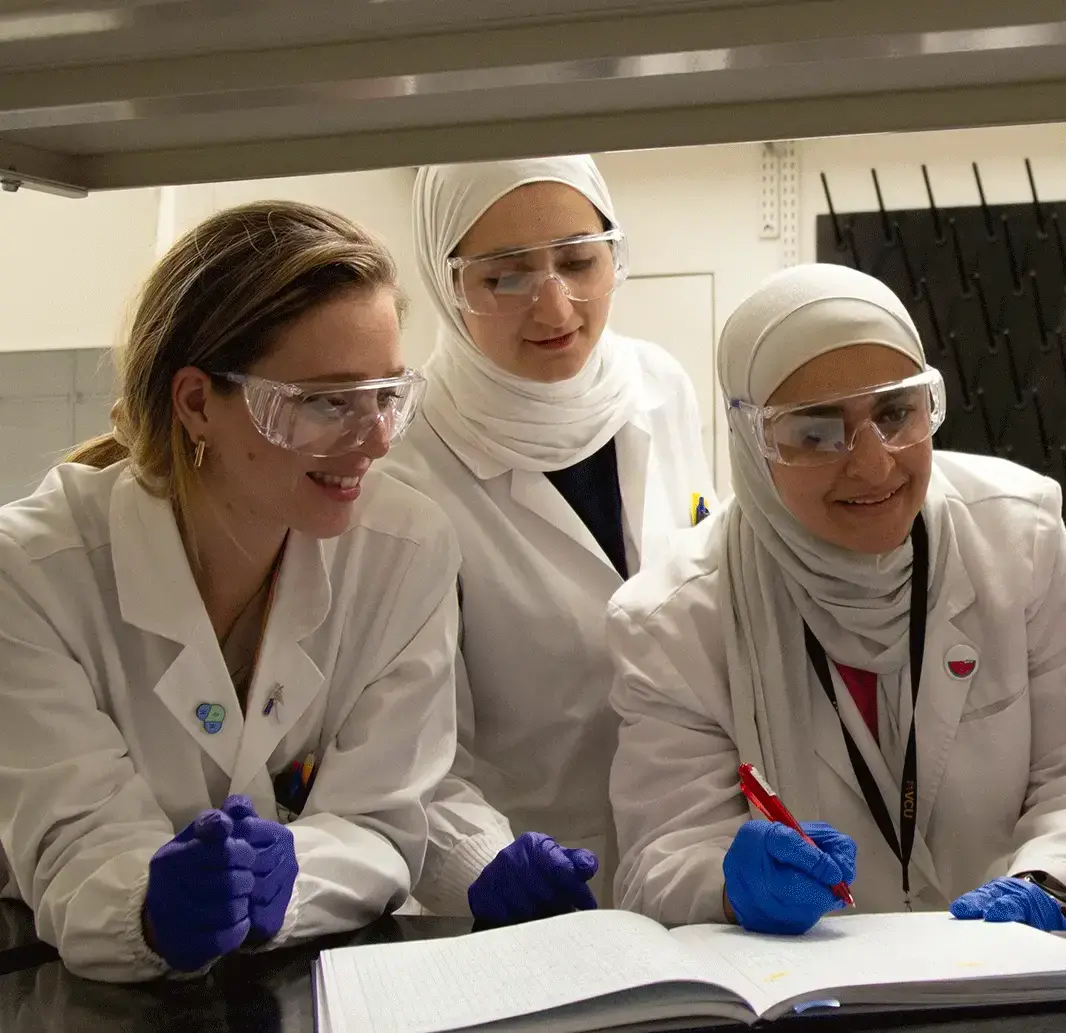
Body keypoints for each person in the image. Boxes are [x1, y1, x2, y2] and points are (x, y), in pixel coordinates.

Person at [0, 202, 458, 982]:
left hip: (305, 980)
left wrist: (291, 878)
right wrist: (150, 905)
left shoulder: (404, 549)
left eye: (385, 394)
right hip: (77, 991)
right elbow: (74, 846)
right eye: (324, 401)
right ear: (195, 402)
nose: (377, 440)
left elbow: (381, 819)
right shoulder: (33, 572)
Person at [610, 264, 1066, 935]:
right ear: (752, 445)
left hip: (1015, 971)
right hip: (804, 987)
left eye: (896, 412)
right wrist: (724, 881)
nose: (873, 464)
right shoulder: (673, 618)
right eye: (815, 432)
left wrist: (1046, 877)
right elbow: (657, 858)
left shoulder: (1020, 533)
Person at [384, 156, 712, 926]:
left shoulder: (659, 386)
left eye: (577, 260)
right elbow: (404, 748)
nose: (554, 306)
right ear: (443, 280)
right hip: (517, 895)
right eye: (504, 276)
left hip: (690, 862)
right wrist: (484, 863)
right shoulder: (406, 466)